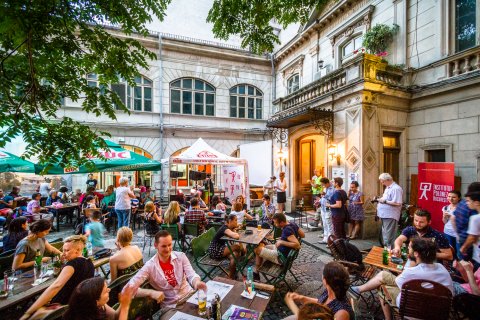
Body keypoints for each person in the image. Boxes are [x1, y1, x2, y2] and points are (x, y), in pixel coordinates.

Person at [350, 238, 453, 320]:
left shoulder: (411, 272)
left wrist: (411, 265)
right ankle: (358, 289)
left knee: (382, 287)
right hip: (437, 313)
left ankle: (387, 318)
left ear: (416, 254)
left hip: (410, 312)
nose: (408, 250)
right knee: (384, 276)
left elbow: (398, 282)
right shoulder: (443, 269)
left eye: (410, 248)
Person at [123, 230, 207, 307]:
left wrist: (197, 282)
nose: (167, 249)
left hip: (190, 297)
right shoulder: (150, 266)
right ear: (155, 245)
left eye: (170, 245)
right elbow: (126, 290)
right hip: (171, 306)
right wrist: (150, 292)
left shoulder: (181, 256)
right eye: (163, 246)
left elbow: (191, 274)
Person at [21, 235, 95, 320]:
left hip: (65, 309)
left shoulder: (73, 264)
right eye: (63, 250)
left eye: (67, 250)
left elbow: (56, 286)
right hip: (79, 306)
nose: (63, 253)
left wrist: (29, 312)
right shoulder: (89, 262)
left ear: (78, 250)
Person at [284, 262, 354, 320]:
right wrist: (301, 298)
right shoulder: (331, 290)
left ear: (325, 280)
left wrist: (292, 305)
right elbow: (321, 302)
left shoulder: (342, 313)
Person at [253, 212, 305, 280]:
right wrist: (285, 239)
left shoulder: (287, 230)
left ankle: (256, 273)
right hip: (281, 251)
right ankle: (256, 272)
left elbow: (297, 245)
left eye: (276, 223)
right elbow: (303, 235)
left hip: (280, 257)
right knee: (261, 246)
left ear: (282, 222)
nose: (274, 224)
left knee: (256, 249)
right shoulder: (293, 224)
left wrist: (282, 242)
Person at [63, 277, 134, 320]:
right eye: (105, 291)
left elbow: (114, 316)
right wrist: (125, 307)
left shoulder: (99, 305)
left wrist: (123, 302)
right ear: (96, 301)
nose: (109, 290)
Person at [208, 214, 245, 279]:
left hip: (220, 248)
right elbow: (236, 236)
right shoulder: (224, 228)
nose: (237, 222)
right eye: (235, 220)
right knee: (237, 247)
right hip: (215, 250)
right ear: (230, 221)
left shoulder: (228, 228)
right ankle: (243, 255)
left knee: (235, 254)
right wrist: (236, 231)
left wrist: (235, 229)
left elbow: (233, 234)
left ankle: (231, 275)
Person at [374, 173, 403, 247]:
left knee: (389, 236)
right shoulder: (388, 187)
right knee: (386, 234)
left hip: (390, 215)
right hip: (385, 215)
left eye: (383, 181)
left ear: (388, 180)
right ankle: (387, 251)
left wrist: (384, 201)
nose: (382, 183)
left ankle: (389, 252)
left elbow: (398, 203)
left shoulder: (396, 188)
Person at [453, 182, 480, 261]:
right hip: (468, 242)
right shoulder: (473, 212)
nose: (467, 202)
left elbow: (453, 218)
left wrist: (457, 234)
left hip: (464, 239)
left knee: (465, 264)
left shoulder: (461, 203)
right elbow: (472, 237)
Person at [460, 191, 480, 266]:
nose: (466, 203)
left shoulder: (475, 218)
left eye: (468, 201)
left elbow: (471, 237)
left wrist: (463, 247)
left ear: (477, 202)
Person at [318, 178, 335, 244]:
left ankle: (330, 240)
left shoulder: (332, 189)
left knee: (329, 225)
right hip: (323, 208)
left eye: (323, 184)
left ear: (327, 183)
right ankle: (325, 239)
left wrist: (324, 195)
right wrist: (319, 201)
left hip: (328, 209)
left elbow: (330, 198)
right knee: (325, 224)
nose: (322, 186)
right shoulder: (325, 188)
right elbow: (323, 197)